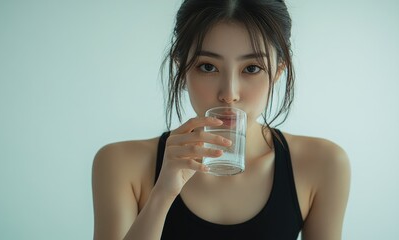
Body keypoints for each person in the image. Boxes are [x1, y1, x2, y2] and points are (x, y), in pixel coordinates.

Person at [92, 0, 351, 239]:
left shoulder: (322, 163)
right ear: (182, 70)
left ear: (278, 72)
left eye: (252, 68)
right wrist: (162, 194)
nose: (229, 94)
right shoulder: (121, 164)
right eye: (208, 66)